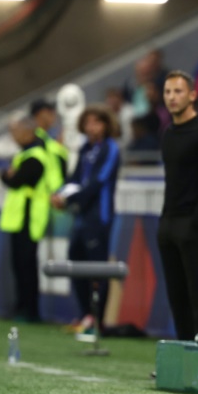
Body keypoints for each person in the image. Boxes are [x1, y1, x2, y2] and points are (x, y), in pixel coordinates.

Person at [157, 70, 198, 340]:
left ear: (193, 95)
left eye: (178, 91)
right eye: (168, 92)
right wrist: (165, 223)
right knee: (176, 294)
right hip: (169, 222)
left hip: (194, 223)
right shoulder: (168, 134)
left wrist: (196, 225)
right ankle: (183, 353)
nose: (172, 97)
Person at [51, 105, 121, 333]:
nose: (92, 127)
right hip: (81, 216)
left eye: (97, 122)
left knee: (98, 268)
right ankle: (85, 315)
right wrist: (61, 194)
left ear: (105, 124)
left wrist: (71, 198)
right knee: (76, 261)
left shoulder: (111, 149)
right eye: (88, 123)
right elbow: (75, 178)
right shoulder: (85, 148)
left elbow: (98, 182)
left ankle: (97, 321)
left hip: (99, 216)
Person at [0, 114, 51, 323]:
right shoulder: (25, 153)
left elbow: (16, 180)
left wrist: (8, 176)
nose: (13, 136)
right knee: (19, 265)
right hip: (19, 219)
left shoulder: (36, 156)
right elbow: (9, 177)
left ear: (28, 132)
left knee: (26, 266)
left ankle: (31, 311)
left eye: (17, 131)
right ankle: (21, 307)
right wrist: (7, 175)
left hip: (30, 220)